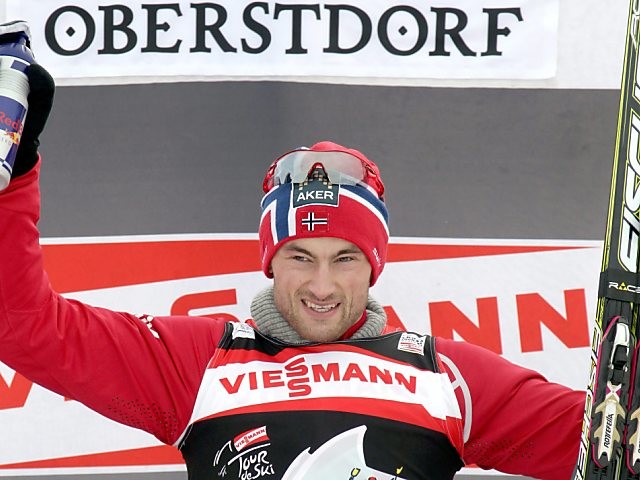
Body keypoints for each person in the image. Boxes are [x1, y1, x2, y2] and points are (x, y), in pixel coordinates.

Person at [0, 62, 585, 480]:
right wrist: (17, 170)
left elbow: (600, 444)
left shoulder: (446, 376)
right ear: (270, 261)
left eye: (345, 259)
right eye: (300, 257)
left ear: (375, 265)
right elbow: (23, 327)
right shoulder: (199, 362)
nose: (322, 286)